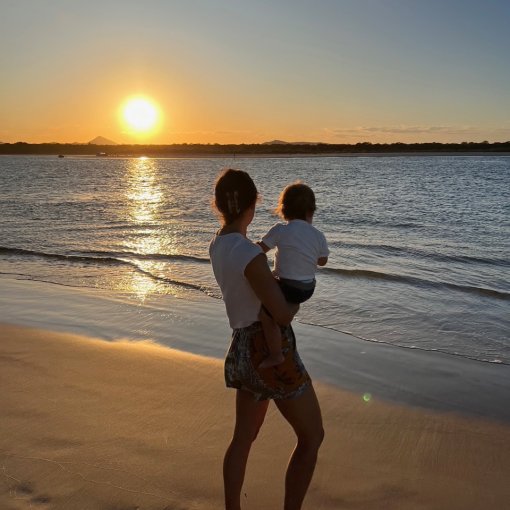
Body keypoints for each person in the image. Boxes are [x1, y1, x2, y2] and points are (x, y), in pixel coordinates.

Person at [209, 169, 324, 510]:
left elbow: (250, 291)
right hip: (270, 350)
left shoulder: (218, 244)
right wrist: (296, 292)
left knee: (243, 438)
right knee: (312, 436)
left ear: (219, 205)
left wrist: (270, 281)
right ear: (252, 205)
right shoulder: (249, 254)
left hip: (243, 346)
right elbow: (282, 313)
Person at [258, 182, 329, 368]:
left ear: (284, 210)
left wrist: (243, 245)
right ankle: (289, 311)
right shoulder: (318, 235)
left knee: (265, 314)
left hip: (287, 286)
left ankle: (275, 355)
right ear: (311, 212)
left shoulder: (280, 230)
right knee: (292, 298)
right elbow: (323, 261)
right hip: (307, 289)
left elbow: (260, 250)